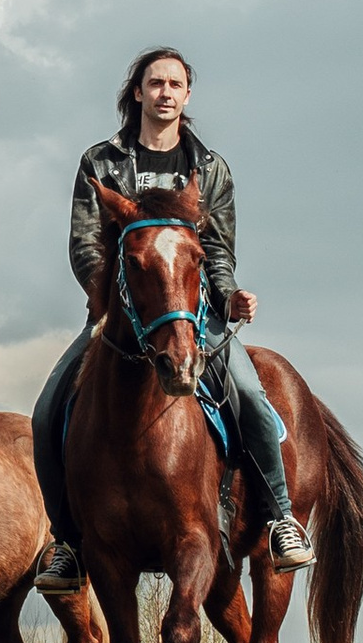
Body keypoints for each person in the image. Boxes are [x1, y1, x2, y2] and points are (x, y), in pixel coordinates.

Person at [32, 47, 315, 583]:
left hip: (192, 315)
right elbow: (86, 245)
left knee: (253, 397)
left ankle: (280, 519)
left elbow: (219, 250)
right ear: (136, 92)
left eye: (175, 85)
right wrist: (106, 303)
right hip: (120, 315)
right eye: (154, 83)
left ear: (187, 96)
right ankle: (66, 542)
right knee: (48, 411)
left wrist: (230, 294)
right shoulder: (101, 162)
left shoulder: (209, 169)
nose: (164, 92)